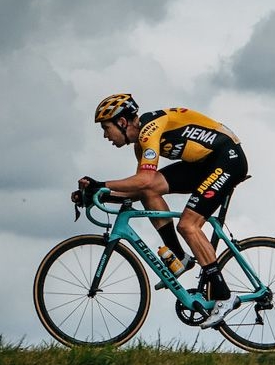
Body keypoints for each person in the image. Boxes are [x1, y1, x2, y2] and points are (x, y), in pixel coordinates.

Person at [75, 93, 249, 328]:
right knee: (150, 190)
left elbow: (143, 179)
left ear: (122, 122)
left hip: (227, 159)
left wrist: (102, 185)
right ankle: (179, 257)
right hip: (204, 164)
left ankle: (224, 295)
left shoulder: (150, 130)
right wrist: (95, 195)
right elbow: (141, 188)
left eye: (106, 128)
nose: (106, 136)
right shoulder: (142, 145)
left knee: (188, 225)